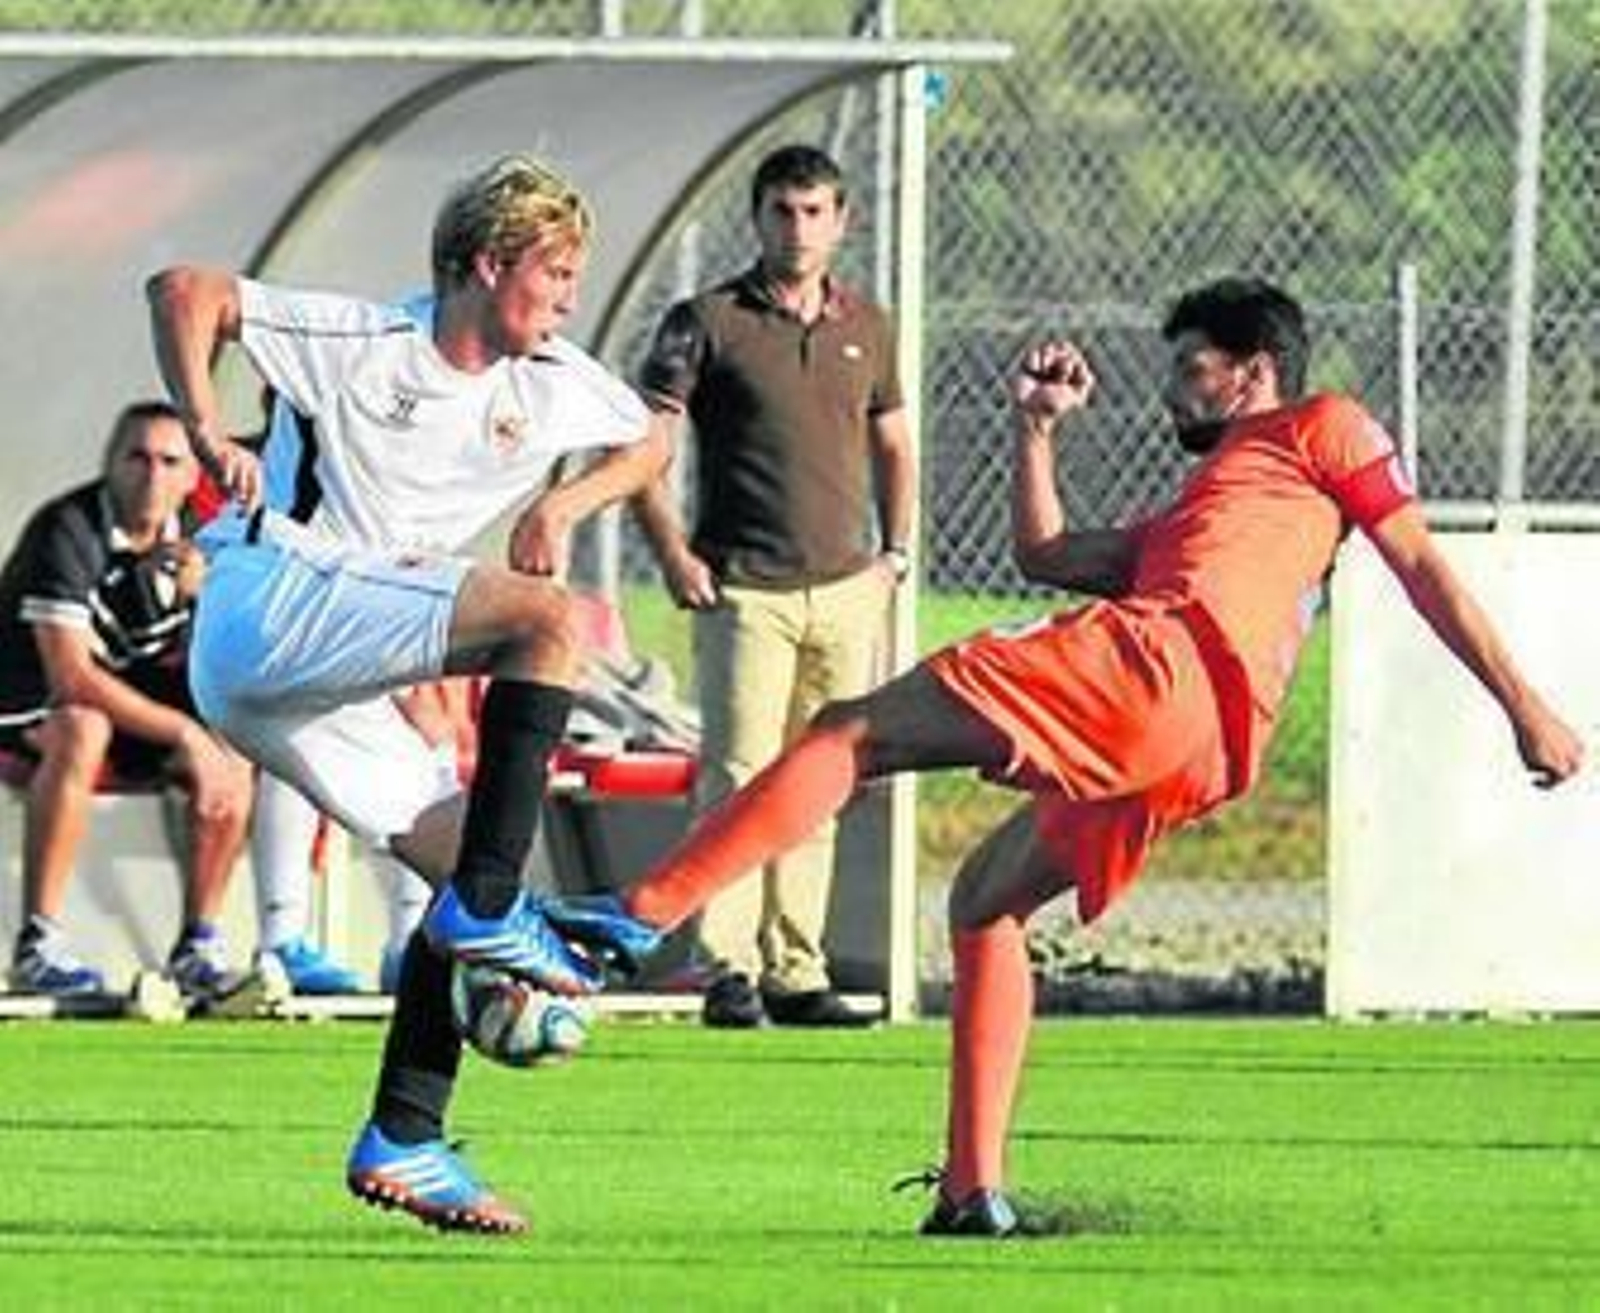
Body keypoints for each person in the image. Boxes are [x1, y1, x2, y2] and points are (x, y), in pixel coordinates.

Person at [557, 276, 1586, 1235]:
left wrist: (1524, 707)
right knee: (984, 900)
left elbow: (1421, 566)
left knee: (846, 731)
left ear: (1256, 367)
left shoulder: (1322, 424)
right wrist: (1034, 429)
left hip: (1160, 666)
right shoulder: (1203, 508)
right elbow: (1045, 554)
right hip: (1204, 745)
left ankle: (625, 919)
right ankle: (971, 1190)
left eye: (1192, 367)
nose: (1175, 392)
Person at [145, 153, 668, 1234]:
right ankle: (487, 919)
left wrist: (569, 504)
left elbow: (652, 436)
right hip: (271, 599)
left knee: (477, 850)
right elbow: (184, 290)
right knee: (549, 619)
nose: (569, 296)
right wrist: (204, 427)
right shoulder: (371, 339)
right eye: (554, 271)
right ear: (486, 263)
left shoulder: (549, 377)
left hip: (311, 675)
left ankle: (407, 1131)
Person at [631, 143, 914, 1028]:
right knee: (738, 775)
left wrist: (893, 555)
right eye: (782, 212)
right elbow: (644, 451)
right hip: (742, 589)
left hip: (843, 587)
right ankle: (725, 966)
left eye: (815, 212)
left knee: (818, 779)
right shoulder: (706, 320)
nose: (798, 229)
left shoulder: (870, 324)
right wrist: (673, 552)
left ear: (842, 222)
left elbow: (895, 442)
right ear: (756, 219)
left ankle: (798, 966)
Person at [0, 400, 254, 999]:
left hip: (123, 702)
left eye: (170, 462)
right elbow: (71, 678)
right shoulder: (67, 530)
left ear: (193, 477)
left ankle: (199, 947)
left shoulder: (202, 539)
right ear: (110, 464)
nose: (152, 475)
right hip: (23, 697)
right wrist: (184, 734)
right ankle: (38, 944)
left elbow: (225, 665)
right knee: (83, 727)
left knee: (236, 744)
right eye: (135, 458)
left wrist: (203, 600)